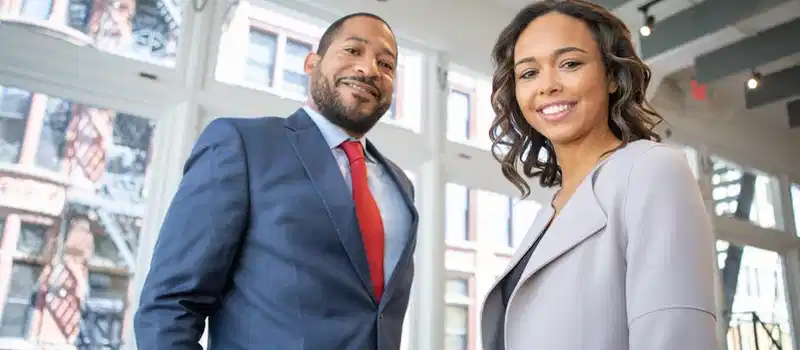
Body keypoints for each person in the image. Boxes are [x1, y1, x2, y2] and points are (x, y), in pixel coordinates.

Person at [134, 12, 418, 350]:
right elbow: (169, 307)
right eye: (353, 51)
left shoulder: (400, 184)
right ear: (312, 63)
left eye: (386, 64)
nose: (369, 69)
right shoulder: (242, 145)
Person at [479, 1, 719, 349]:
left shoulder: (652, 170)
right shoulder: (555, 207)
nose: (547, 86)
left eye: (570, 64)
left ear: (611, 76)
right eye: (529, 73)